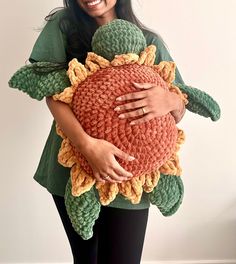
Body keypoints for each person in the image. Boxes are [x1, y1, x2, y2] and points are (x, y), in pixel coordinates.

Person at [23, 0, 186, 263]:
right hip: (74, 169)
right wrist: (88, 146)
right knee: (87, 258)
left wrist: (171, 101)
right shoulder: (64, 25)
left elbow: (179, 106)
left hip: (131, 174)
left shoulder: (149, 41)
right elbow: (52, 93)